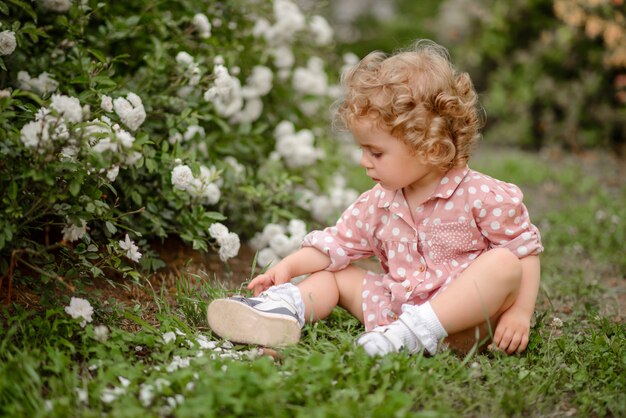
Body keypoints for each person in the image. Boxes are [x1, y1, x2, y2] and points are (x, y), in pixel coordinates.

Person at [207, 39, 543, 357]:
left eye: (376, 152)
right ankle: (284, 310)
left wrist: (520, 313)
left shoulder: (481, 196)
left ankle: (413, 333)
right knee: (335, 275)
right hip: (394, 316)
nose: (364, 161)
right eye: (363, 149)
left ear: (431, 148)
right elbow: (334, 246)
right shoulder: (380, 202)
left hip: (465, 323)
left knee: (503, 263)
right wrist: (289, 266)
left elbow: (524, 252)